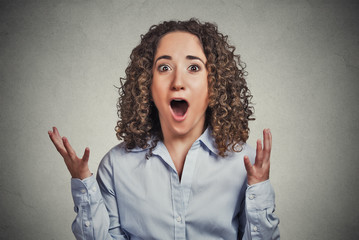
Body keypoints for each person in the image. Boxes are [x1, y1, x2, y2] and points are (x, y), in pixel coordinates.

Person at [48, 18, 280, 239]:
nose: (178, 81)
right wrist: (83, 186)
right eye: (165, 67)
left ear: (215, 86)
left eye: (194, 67)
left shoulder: (244, 163)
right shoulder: (116, 166)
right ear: (146, 85)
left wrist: (259, 190)